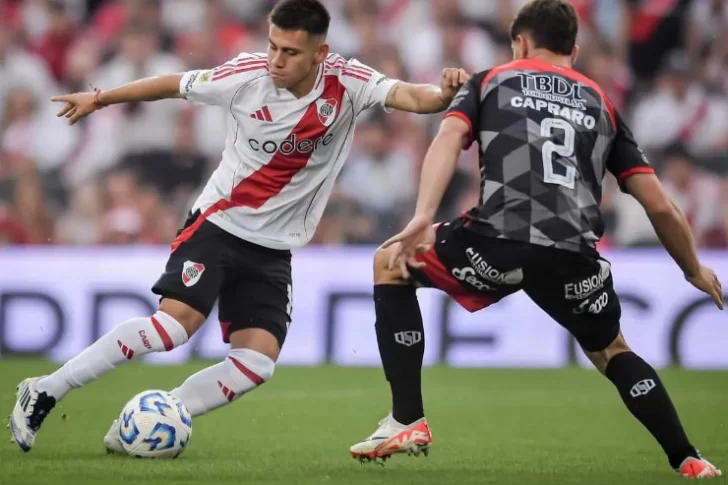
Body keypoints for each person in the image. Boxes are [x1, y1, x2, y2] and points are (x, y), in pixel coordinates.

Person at [9, 0, 469, 454]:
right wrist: (102, 97)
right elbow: (174, 84)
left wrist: (445, 95)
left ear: (320, 54)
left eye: (290, 52)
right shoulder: (245, 75)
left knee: (255, 363)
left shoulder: (348, 82)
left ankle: (159, 413)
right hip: (220, 224)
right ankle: (46, 388)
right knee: (173, 328)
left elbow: (411, 96)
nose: (276, 59)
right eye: (272, 46)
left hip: (273, 248)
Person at [348, 0, 723, 479]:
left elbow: (447, 139)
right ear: (575, 48)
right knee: (613, 352)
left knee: (389, 262)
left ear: (520, 42)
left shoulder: (491, 79)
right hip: (575, 254)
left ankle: (407, 419)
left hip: (499, 238)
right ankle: (687, 457)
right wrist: (691, 267)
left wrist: (423, 214)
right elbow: (660, 205)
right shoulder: (600, 102)